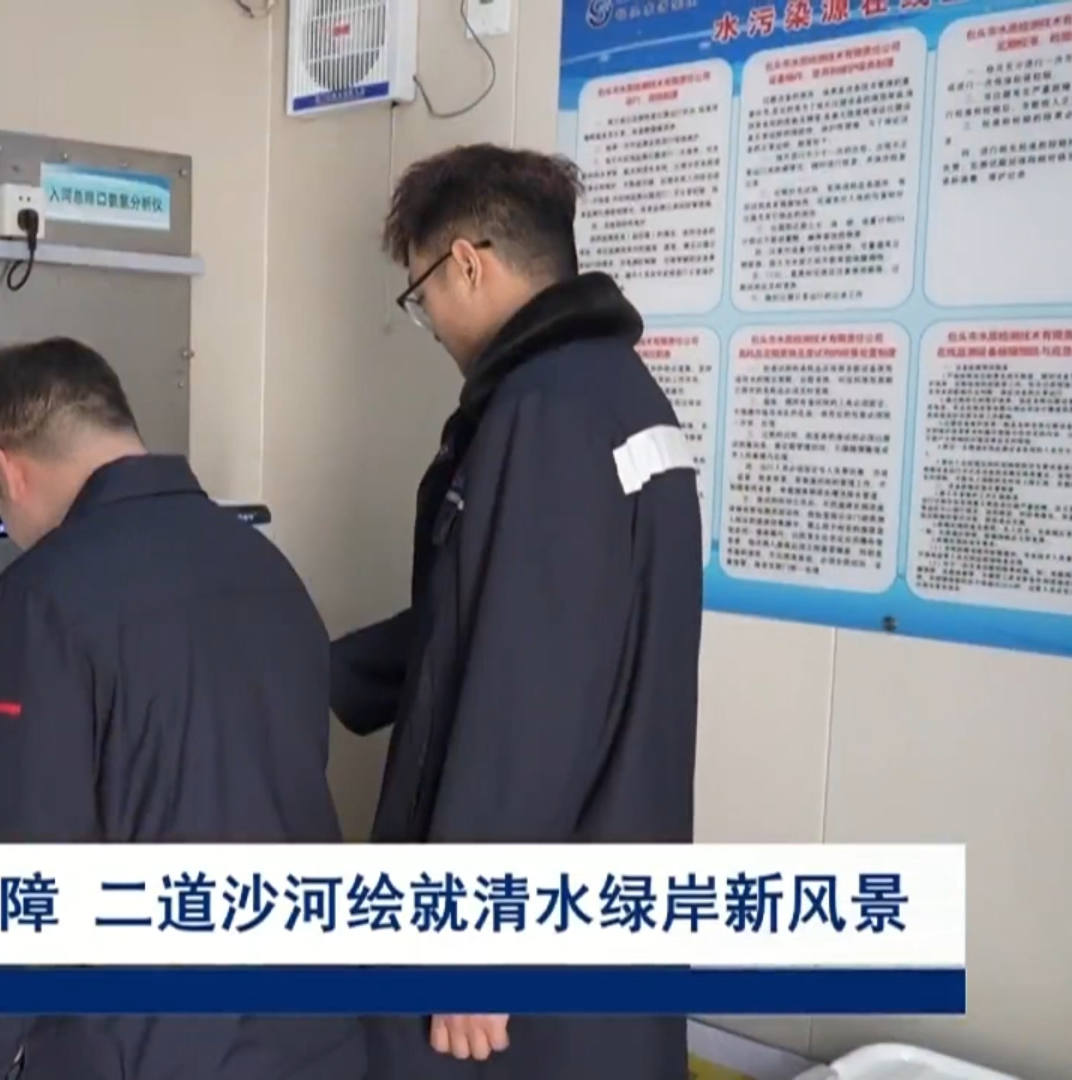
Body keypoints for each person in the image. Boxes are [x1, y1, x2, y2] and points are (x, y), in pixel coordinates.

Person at [331, 145, 703, 1078]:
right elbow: (491, 619)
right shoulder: (619, 394)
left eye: (420, 292)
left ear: (467, 262)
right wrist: (316, 669)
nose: (428, 320)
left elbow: (532, 693)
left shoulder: (544, 415)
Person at [0, 337, 367, 1080]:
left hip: (140, 1046)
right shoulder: (268, 567)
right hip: (312, 1028)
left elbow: (16, 869)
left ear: (6, 468)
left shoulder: (35, 599)